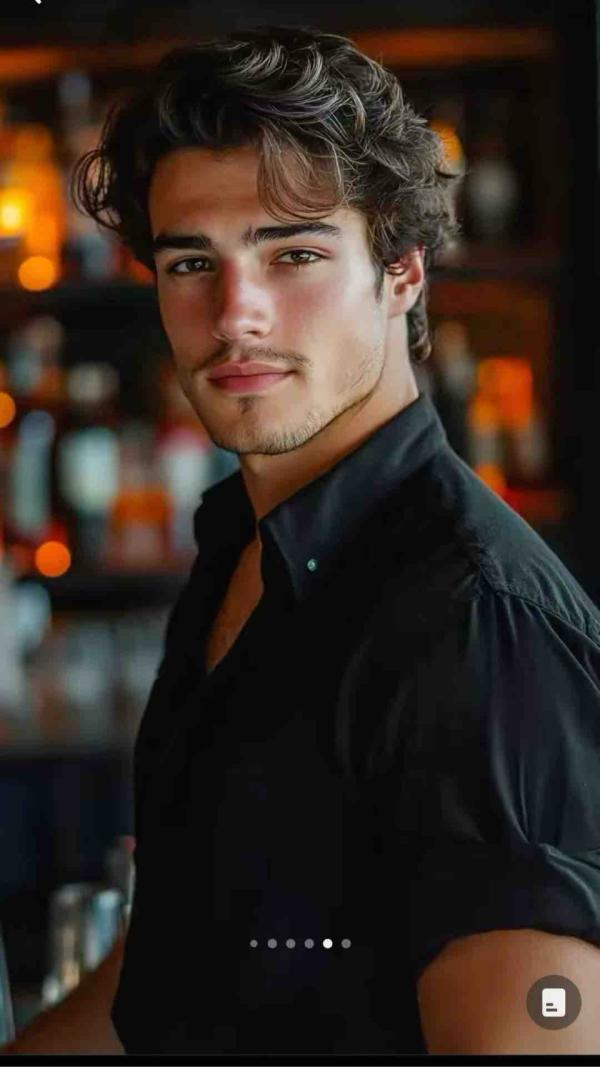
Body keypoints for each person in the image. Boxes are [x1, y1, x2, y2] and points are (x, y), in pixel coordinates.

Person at [8, 23, 600, 1054]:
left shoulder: (472, 620)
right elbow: (175, 963)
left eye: (294, 254)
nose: (235, 314)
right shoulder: (241, 548)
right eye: (192, 260)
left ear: (402, 271)